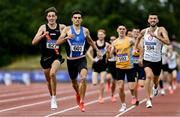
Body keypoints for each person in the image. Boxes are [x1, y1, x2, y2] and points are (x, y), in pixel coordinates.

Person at [56, 10, 102, 112]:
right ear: (72, 19)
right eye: (75, 18)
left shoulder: (85, 30)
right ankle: (77, 93)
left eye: (79, 18)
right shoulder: (67, 29)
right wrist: (67, 37)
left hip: (81, 59)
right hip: (71, 61)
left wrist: (97, 51)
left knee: (83, 78)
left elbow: (90, 41)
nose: (77, 19)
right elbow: (58, 42)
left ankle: (82, 101)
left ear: (81, 19)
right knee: (74, 84)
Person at [32, 7, 66, 110]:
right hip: (45, 58)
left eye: (53, 16)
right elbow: (33, 42)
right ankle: (52, 96)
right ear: (47, 17)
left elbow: (70, 37)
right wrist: (42, 36)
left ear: (56, 17)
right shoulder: (43, 27)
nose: (51, 18)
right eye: (49, 16)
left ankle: (54, 98)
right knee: (48, 80)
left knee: (52, 73)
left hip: (56, 57)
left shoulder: (62, 27)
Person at [134, 12, 170, 108]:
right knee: (149, 76)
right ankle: (148, 100)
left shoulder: (161, 29)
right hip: (147, 59)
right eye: (151, 18)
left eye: (155, 18)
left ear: (157, 20)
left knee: (156, 80)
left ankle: (155, 87)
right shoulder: (144, 31)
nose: (153, 20)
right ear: (148, 20)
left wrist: (156, 36)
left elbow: (167, 42)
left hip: (157, 60)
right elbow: (137, 38)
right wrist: (135, 48)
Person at [109, 25, 136, 112]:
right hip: (119, 66)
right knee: (120, 87)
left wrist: (136, 53)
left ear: (126, 30)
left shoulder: (130, 40)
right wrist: (110, 51)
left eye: (123, 29)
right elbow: (110, 55)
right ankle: (123, 105)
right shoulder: (115, 42)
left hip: (129, 66)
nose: (122, 30)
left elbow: (137, 48)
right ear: (117, 30)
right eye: (120, 29)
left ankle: (133, 96)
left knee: (131, 87)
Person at [87, 29, 109, 103]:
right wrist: (92, 59)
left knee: (102, 82)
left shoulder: (107, 44)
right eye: (99, 34)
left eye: (102, 34)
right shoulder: (94, 43)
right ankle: (100, 93)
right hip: (95, 65)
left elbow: (110, 53)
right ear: (97, 36)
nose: (100, 36)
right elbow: (88, 52)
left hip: (103, 65)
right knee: (94, 83)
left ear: (104, 35)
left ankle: (101, 96)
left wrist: (109, 54)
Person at [131, 28, 145, 105]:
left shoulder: (142, 40)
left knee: (142, 84)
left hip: (141, 64)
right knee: (134, 83)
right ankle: (135, 98)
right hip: (132, 64)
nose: (136, 33)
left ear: (139, 33)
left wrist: (141, 58)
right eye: (134, 32)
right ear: (132, 33)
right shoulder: (129, 41)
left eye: (137, 32)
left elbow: (144, 50)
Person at [106, 36, 117, 102]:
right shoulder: (108, 47)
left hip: (116, 65)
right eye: (111, 40)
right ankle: (108, 84)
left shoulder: (118, 46)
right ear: (110, 41)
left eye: (114, 39)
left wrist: (115, 49)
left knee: (114, 82)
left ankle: (112, 95)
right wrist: (109, 51)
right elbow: (108, 57)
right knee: (108, 77)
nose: (112, 41)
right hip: (110, 64)